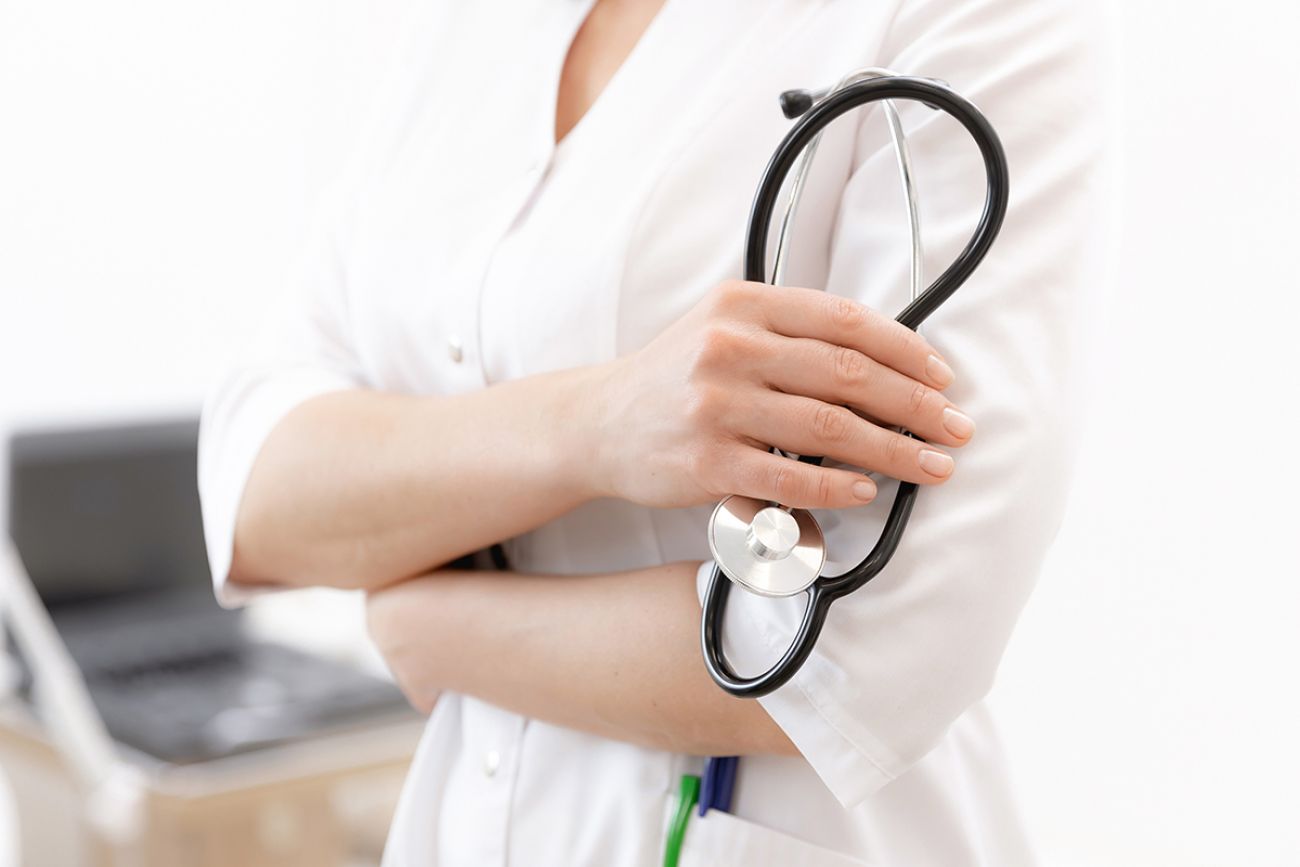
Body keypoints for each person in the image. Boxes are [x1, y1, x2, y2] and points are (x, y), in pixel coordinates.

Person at [198, 0, 1110, 863]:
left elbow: (872, 652)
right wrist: (598, 423)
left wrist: (428, 625)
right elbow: (258, 492)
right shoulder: (466, 29)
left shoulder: (967, 19)